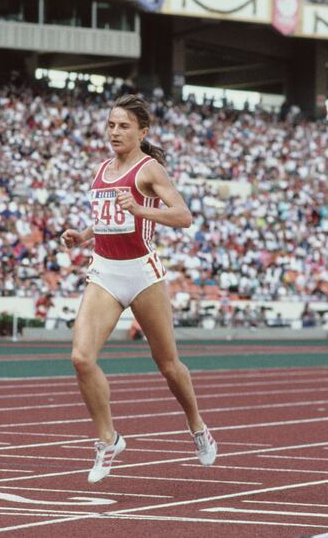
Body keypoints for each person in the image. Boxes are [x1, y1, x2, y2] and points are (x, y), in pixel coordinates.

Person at [60, 94, 217, 484]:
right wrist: (83, 234)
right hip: (104, 272)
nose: (115, 132)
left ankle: (196, 424)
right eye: (111, 125)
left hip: (143, 274)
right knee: (81, 358)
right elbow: (108, 216)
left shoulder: (150, 171)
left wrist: (141, 208)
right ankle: (108, 439)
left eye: (124, 126)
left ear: (142, 132)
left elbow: (183, 216)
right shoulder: (101, 169)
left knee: (167, 365)